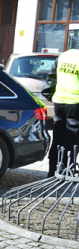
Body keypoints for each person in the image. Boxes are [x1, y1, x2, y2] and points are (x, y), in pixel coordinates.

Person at [42, 48, 79, 176]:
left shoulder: (64, 56)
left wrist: (50, 96)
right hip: (75, 103)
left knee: (58, 137)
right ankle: (67, 171)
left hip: (59, 102)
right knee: (72, 139)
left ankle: (52, 171)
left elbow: (51, 77)